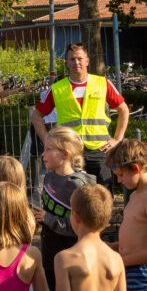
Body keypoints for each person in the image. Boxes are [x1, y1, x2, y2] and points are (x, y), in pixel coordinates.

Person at [31, 43, 129, 188]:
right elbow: (36, 115)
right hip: (70, 151)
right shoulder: (57, 88)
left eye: (79, 59)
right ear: (67, 62)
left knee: (103, 195)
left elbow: (124, 110)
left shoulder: (103, 83)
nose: (76, 62)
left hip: (100, 150)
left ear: (87, 61)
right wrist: (47, 140)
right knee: (72, 195)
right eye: (72, 59)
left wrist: (117, 139)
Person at [31, 126, 95, 291]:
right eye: (44, 149)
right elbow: (48, 211)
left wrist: (47, 218)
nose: (43, 155)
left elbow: (82, 228)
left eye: (49, 150)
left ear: (65, 154)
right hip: (50, 254)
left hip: (71, 256)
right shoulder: (49, 177)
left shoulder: (77, 185)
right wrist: (37, 219)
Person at [105, 138, 147, 291]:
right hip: (130, 275)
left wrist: (120, 261)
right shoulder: (135, 195)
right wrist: (115, 247)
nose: (119, 180)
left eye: (121, 175)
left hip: (141, 278)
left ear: (136, 168)